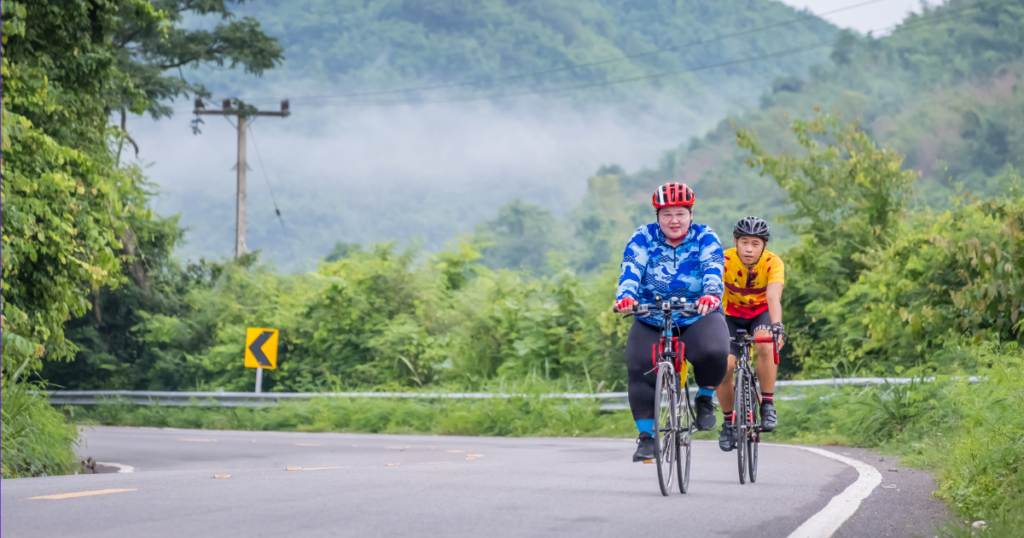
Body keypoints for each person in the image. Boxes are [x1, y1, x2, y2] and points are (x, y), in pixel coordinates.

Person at [615, 182, 730, 462]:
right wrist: (626, 296)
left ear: (690, 213)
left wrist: (711, 295)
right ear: (657, 216)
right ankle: (646, 438)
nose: (674, 220)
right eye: (667, 214)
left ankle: (704, 397)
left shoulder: (705, 236)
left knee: (714, 351)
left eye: (680, 213)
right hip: (652, 315)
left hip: (697, 313)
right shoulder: (643, 236)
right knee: (639, 366)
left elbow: (713, 267)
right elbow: (631, 268)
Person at [716, 216, 787, 452]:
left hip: (760, 314)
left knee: (765, 344)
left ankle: (767, 404)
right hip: (729, 315)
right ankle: (728, 423)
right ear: (735, 242)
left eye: (755, 244)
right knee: (724, 365)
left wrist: (777, 325)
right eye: (744, 242)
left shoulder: (773, 263)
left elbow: (773, 297)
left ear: (764, 246)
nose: (748, 248)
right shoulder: (722, 260)